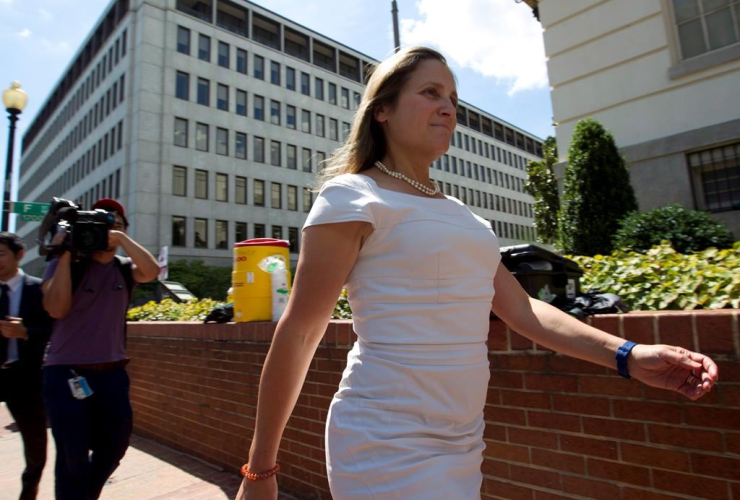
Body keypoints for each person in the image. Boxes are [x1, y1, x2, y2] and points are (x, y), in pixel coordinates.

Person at [235, 47, 719, 500]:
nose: (448, 108)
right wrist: (260, 469)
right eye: (430, 93)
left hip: (463, 439)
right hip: (383, 437)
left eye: (453, 99)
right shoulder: (352, 197)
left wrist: (630, 355)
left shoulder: (466, 218)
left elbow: (525, 311)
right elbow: (299, 332)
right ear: (382, 109)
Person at [41, 198, 159, 500]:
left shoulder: (124, 269)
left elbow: (152, 271)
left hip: (112, 374)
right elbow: (56, 308)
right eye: (101, 225)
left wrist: (118, 237)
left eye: (115, 225)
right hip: (65, 373)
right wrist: (65, 251)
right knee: (72, 455)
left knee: (115, 445)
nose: (106, 232)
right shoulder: (69, 263)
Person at [0, 232, 53, 500]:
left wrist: (26, 333)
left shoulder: (38, 289)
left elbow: (53, 330)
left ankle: (28, 491)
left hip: (26, 377)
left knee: (35, 445)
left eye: (1, 254)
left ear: (19, 255)